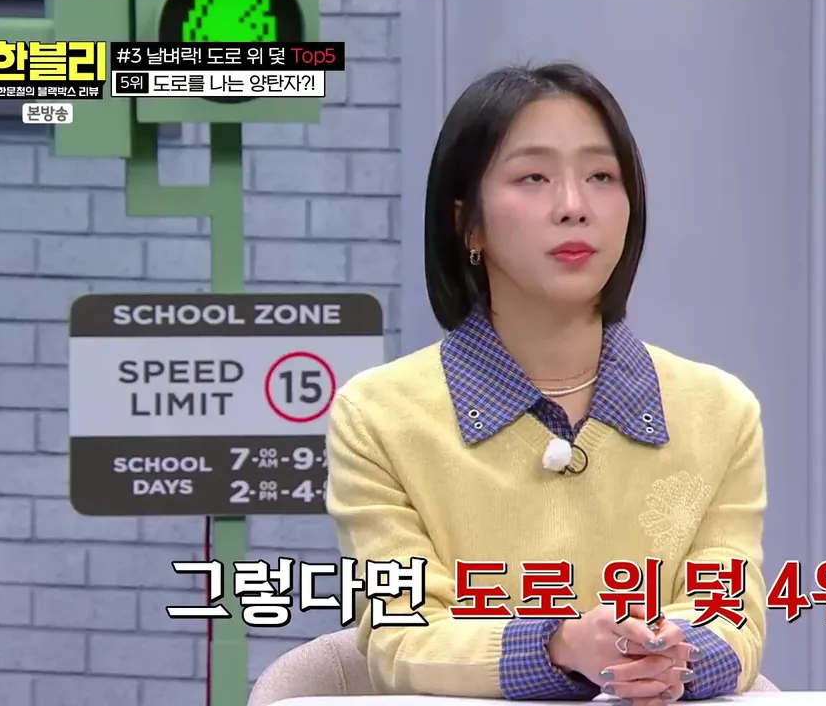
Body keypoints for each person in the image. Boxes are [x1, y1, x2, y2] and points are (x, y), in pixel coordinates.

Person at [326, 62, 767, 705]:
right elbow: (403, 635)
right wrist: (559, 646)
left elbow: (731, 614)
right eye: (533, 177)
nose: (574, 206)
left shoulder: (719, 411)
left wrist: (675, 655)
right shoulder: (378, 417)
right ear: (468, 223)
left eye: (601, 177)